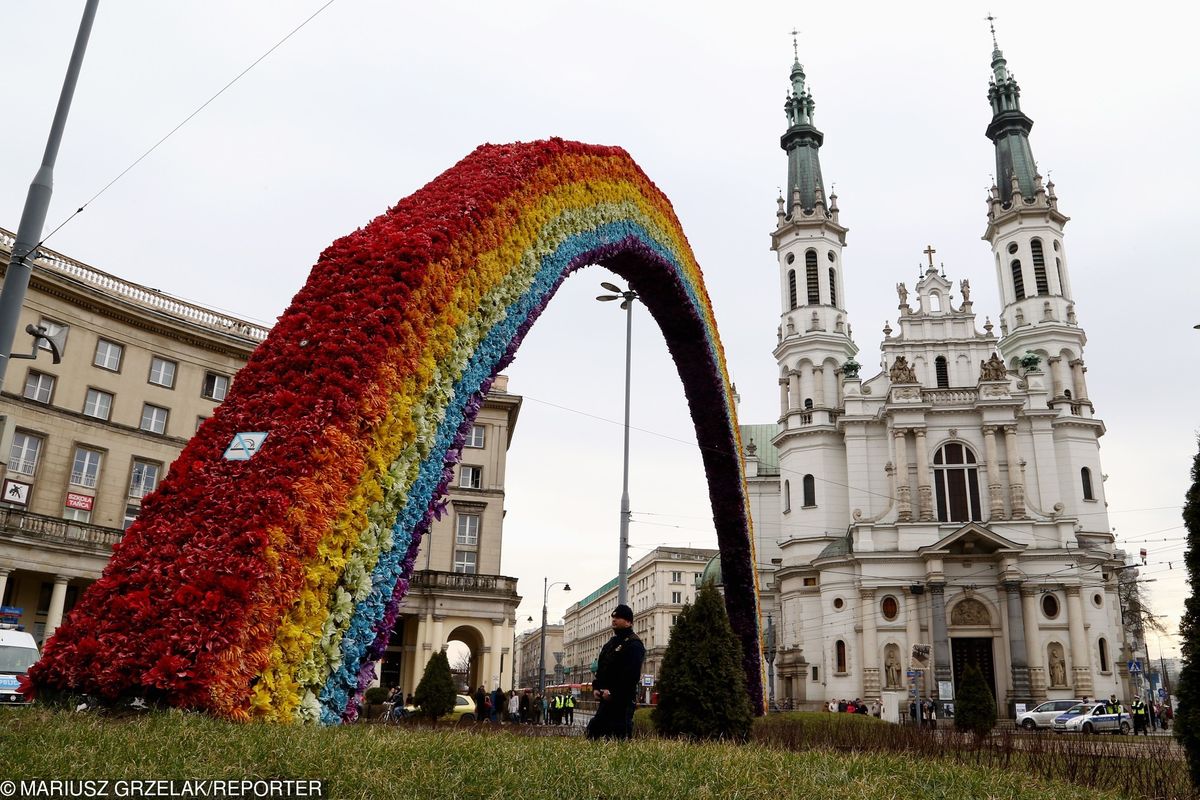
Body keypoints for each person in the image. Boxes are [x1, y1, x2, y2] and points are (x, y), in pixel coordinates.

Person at [585, 603, 646, 741]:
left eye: (618, 617)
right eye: (613, 617)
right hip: (606, 701)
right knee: (593, 732)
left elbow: (631, 675)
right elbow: (602, 668)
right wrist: (597, 686)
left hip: (622, 702)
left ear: (628, 622)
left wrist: (613, 692)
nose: (614, 620)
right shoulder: (611, 644)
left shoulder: (634, 644)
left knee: (618, 737)